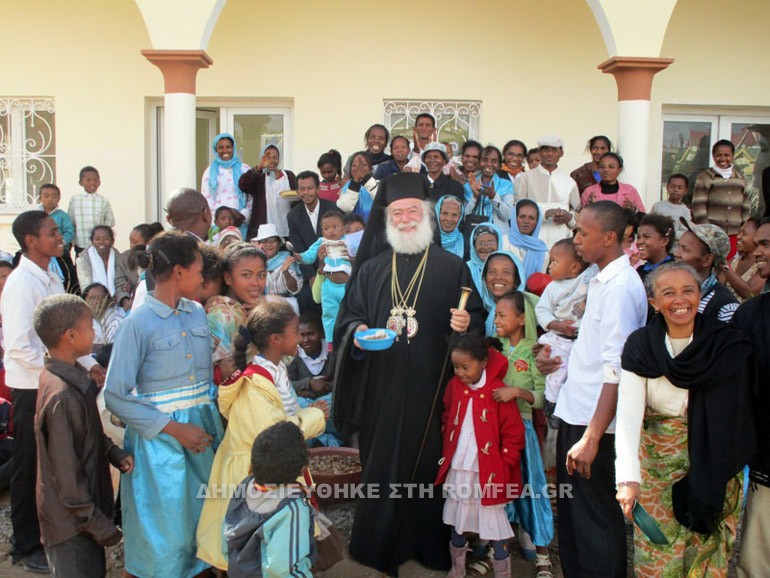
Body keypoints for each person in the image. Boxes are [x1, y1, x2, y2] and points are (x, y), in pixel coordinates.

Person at [333, 173, 485, 575]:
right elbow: (348, 320)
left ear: (427, 215)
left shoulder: (453, 269)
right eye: (397, 213)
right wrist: (358, 334)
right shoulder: (371, 270)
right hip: (380, 390)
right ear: (387, 220)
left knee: (429, 465)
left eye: (412, 211)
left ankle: (428, 547)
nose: (404, 219)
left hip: (432, 390)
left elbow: (478, 320)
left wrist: (467, 322)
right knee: (381, 464)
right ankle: (376, 548)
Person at [616, 263, 755, 577]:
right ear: (654, 302)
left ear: (700, 295)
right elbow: (628, 417)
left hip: (715, 468)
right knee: (658, 556)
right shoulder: (641, 347)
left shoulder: (726, 346)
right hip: (655, 471)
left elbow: (739, 414)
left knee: (705, 557)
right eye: (668, 293)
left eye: (688, 290)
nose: (680, 300)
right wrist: (627, 479)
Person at [104, 232, 225, 578]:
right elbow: (115, 395)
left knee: (204, 514)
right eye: (199, 271)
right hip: (160, 443)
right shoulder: (137, 324)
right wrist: (174, 429)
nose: (203, 279)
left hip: (203, 435)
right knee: (166, 523)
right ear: (178, 272)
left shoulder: (197, 313)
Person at [537, 201, 647, 577]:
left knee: (595, 522)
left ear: (610, 237)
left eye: (584, 233)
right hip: (578, 409)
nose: (577, 240)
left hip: (594, 423)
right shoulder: (600, 280)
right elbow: (593, 348)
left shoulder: (620, 288)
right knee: (575, 521)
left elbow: (617, 369)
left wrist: (592, 437)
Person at [1, 211, 103, 574]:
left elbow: (68, 329)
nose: (61, 236)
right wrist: (64, 371)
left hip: (57, 379)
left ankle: (56, 534)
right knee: (30, 466)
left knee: (58, 463)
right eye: (52, 232)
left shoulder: (54, 273)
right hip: (33, 386)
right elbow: (18, 347)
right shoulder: (20, 283)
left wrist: (89, 362)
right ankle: (26, 544)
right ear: (31, 241)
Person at [197, 300, 325, 571]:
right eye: (295, 331)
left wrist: (307, 411)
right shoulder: (256, 383)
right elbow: (275, 434)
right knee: (257, 547)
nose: (300, 337)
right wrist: (315, 416)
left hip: (268, 472)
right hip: (254, 478)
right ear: (276, 339)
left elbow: (284, 413)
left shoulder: (274, 371)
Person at [32, 294, 133, 578]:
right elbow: (67, 478)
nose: (95, 332)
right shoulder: (63, 396)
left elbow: (87, 435)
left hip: (79, 522)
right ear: (71, 336)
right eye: (90, 326)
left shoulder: (69, 376)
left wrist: (112, 453)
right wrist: (101, 526)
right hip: (72, 527)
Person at [437, 332, 525, 578]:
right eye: (456, 367)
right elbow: (447, 415)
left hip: (489, 472)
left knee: (494, 523)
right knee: (458, 517)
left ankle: (503, 573)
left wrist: (505, 463)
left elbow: (514, 433)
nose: (460, 373)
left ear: (484, 362)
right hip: (460, 466)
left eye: (466, 367)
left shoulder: (499, 392)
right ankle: (457, 569)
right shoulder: (454, 387)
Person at [491, 291, 554, 578]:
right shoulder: (495, 347)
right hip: (496, 431)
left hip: (524, 429)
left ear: (521, 318)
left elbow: (543, 397)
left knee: (532, 486)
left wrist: (517, 392)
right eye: (495, 314)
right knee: (498, 490)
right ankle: (497, 551)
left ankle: (542, 554)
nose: (496, 320)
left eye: (502, 315)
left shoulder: (535, 351)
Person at [223, 422, 315, 578]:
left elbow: (226, 541)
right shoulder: (292, 509)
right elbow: (284, 569)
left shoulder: (245, 486)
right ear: (302, 469)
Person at [734, 218, 770, 577]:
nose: (758, 252)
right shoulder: (751, 314)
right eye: (757, 244)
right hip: (765, 465)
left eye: (766, 245)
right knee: (757, 562)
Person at [535, 238, 593, 423]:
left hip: (581, 339)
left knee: (575, 374)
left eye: (555, 262)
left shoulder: (587, 278)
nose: (549, 266)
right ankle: (552, 405)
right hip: (559, 338)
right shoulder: (552, 288)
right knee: (557, 371)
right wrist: (555, 325)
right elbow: (542, 310)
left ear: (574, 267)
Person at [206, 242, 267, 384]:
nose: (256, 282)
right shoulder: (221, 316)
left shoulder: (261, 308)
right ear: (228, 278)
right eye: (246, 275)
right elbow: (225, 374)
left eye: (262, 275)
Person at [516, 136, 581, 248]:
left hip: (561, 246)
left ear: (561, 153)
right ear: (539, 152)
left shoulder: (569, 182)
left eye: (554, 150)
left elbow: (577, 216)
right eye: (546, 150)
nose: (550, 154)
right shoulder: (525, 178)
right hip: (531, 244)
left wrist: (569, 218)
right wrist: (544, 214)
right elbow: (516, 210)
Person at [296, 209, 350, 342]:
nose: (331, 231)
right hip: (329, 286)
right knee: (329, 315)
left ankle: (351, 339)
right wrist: (301, 257)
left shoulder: (348, 241)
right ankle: (330, 341)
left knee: (350, 313)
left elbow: (361, 255)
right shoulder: (321, 242)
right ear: (322, 232)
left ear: (343, 229)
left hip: (348, 286)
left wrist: (351, 255)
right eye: (326, 228)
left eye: (335, 227)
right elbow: (309, 255)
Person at [287, 170, 338, 313]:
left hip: (333, 266)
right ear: (297, 191)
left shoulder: (333, 209)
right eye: (302, 189)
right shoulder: (293, 216)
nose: (306, 192)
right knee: (306, 297)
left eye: (310, 188)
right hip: (309, 270)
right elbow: (299, 249)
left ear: (318, 189)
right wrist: (311, 276)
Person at [692, 139, 749, 258]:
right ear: (713, 156)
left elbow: (745, 206)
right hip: (713, 234)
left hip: (734, 233)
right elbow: (698, 207)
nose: (723, 159)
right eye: (718, 155)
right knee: (713, 261)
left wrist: (744, 229)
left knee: (731, 264)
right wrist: (707, 230)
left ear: (733, 156)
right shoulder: (705, 178)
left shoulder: (740, 179)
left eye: (726, 155)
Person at [674, 218, 738, 322]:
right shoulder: (671, 291)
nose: (676, 253)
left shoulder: (725, 308)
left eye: (685, 249)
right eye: (678, 246)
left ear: (707, 260)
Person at [239, 144, 298, 240]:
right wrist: (259, 167)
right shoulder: (259, 178)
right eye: (268, 157)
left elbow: (298, 195)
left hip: (286, 230)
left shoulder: (289, 176)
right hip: (264, 233)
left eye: (275, 157)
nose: (272, 161)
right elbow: (243, 185)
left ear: (279, 159)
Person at [200, 133, 251, 238]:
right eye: (221, 147)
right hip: (218, 225)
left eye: (228, 147)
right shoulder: (209, 172)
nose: (225, 150)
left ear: (233, 148)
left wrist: (242, 215)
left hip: (240, 223)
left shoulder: (244, 169)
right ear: (216, 150)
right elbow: (206, 199)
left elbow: (251, 197)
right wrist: (224, 216)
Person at [253, 223, 303, 313]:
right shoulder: (254, 263)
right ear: (258, 244)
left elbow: (294, 289)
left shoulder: (287, 259)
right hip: (263, 305)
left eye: (272, 240)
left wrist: (286, 272)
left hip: (286, 304)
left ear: (278, 244)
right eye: (264, 241)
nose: (268, 244)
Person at [464, 145, 514, 234]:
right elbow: (465, 217)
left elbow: (508, 215)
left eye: (493, 161)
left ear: (499, 165)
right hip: (475, 235)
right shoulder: (469, 186)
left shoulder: (506, 185)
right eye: (485, 160)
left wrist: (493, 197)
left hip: (500, 236)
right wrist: (475, 197)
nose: (489, 164)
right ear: (479, 163)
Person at [67, 166, 116, 255]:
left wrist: (104, 239)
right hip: (81, 244)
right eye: (88, 180)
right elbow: (71, 221)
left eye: (95, 180)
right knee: (81, 262)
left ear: (99, 182)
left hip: (99, 245)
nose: (92, 183)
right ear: (81, 182)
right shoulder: (75, 200)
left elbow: (109, 222)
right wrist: (72, 241)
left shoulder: (103, 201)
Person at [581, 152, 645, 213]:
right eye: (602, 167)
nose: (606, 170)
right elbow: (580, 218)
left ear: (619, 170)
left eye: (611, 167)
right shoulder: (589, 192)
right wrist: (589, 208)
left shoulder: (630, 191)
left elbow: (643, 217)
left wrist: (634, 210)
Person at [480, 251, 525, 336]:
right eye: (492, 272)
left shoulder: (524, 310)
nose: (498, 277)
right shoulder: (477, 309)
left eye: (506, 272)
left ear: (516, 280)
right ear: (484, 279)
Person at [720, 218, 764, 301]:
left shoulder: (763, 265)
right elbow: (719, 287)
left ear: (757, 237)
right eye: (739, 232)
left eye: (744, 234)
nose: (738, 236)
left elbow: (749, 294)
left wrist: (725, 266)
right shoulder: (733, 261)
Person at [508, 199, 549, 282]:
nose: (526, 221)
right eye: (522, 216)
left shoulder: (542, 250)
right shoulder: (503, 242)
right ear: (514, 218)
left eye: (531, 218)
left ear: (537, 222)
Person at [337, 151, 381, 223]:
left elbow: (382, 201)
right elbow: (346, 208)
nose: (359, 169)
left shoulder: (378, 184)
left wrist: (366, 180)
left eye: (364, 165)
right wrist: (355, 184)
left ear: (370, 168)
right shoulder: (346, 188)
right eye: (354, 165)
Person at [76, 225, 119, 296]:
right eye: (97, 239)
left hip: (117, 299)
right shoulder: (82, 260)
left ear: (112, 241)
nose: (101, 242)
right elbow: (85, 286)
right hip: (93, 299)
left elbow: (121, 282)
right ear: (92, 241)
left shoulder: (120, 259)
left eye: (106, 238)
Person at [82, 282, 124, 351]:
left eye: (102, 298)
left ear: (109, 300)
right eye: (92, 298)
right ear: (84, 301)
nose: (98, 302)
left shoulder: (119, 318)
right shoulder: (80, 322)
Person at [635, 213, 676, 284]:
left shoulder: (674, 271)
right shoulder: (640, 271)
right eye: (638, 237)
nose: (639, 242)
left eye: (646, 236)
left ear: (664, 241)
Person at [467, 223, 503, 296]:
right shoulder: (466, 269)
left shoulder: (506, 267)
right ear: (473, 245)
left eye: (491, 242)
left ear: (499, 244)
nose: (486, 247)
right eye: (481, 243)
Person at [651, 173, 692, 238]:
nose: (675, 190)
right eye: (672, 186)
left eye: (680, 187)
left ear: (685, 191)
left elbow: (684, 232)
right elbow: (649, 224)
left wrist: (669, 232)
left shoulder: (685, 211)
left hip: (674, 243)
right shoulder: (658, 206)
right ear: (667, 188)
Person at [435, 195, 466, 259]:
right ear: (437, 213)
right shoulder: (426, 240)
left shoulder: (465, 243)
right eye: (445, 213)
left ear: (460, 217)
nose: (449, 219)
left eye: (454, 215)